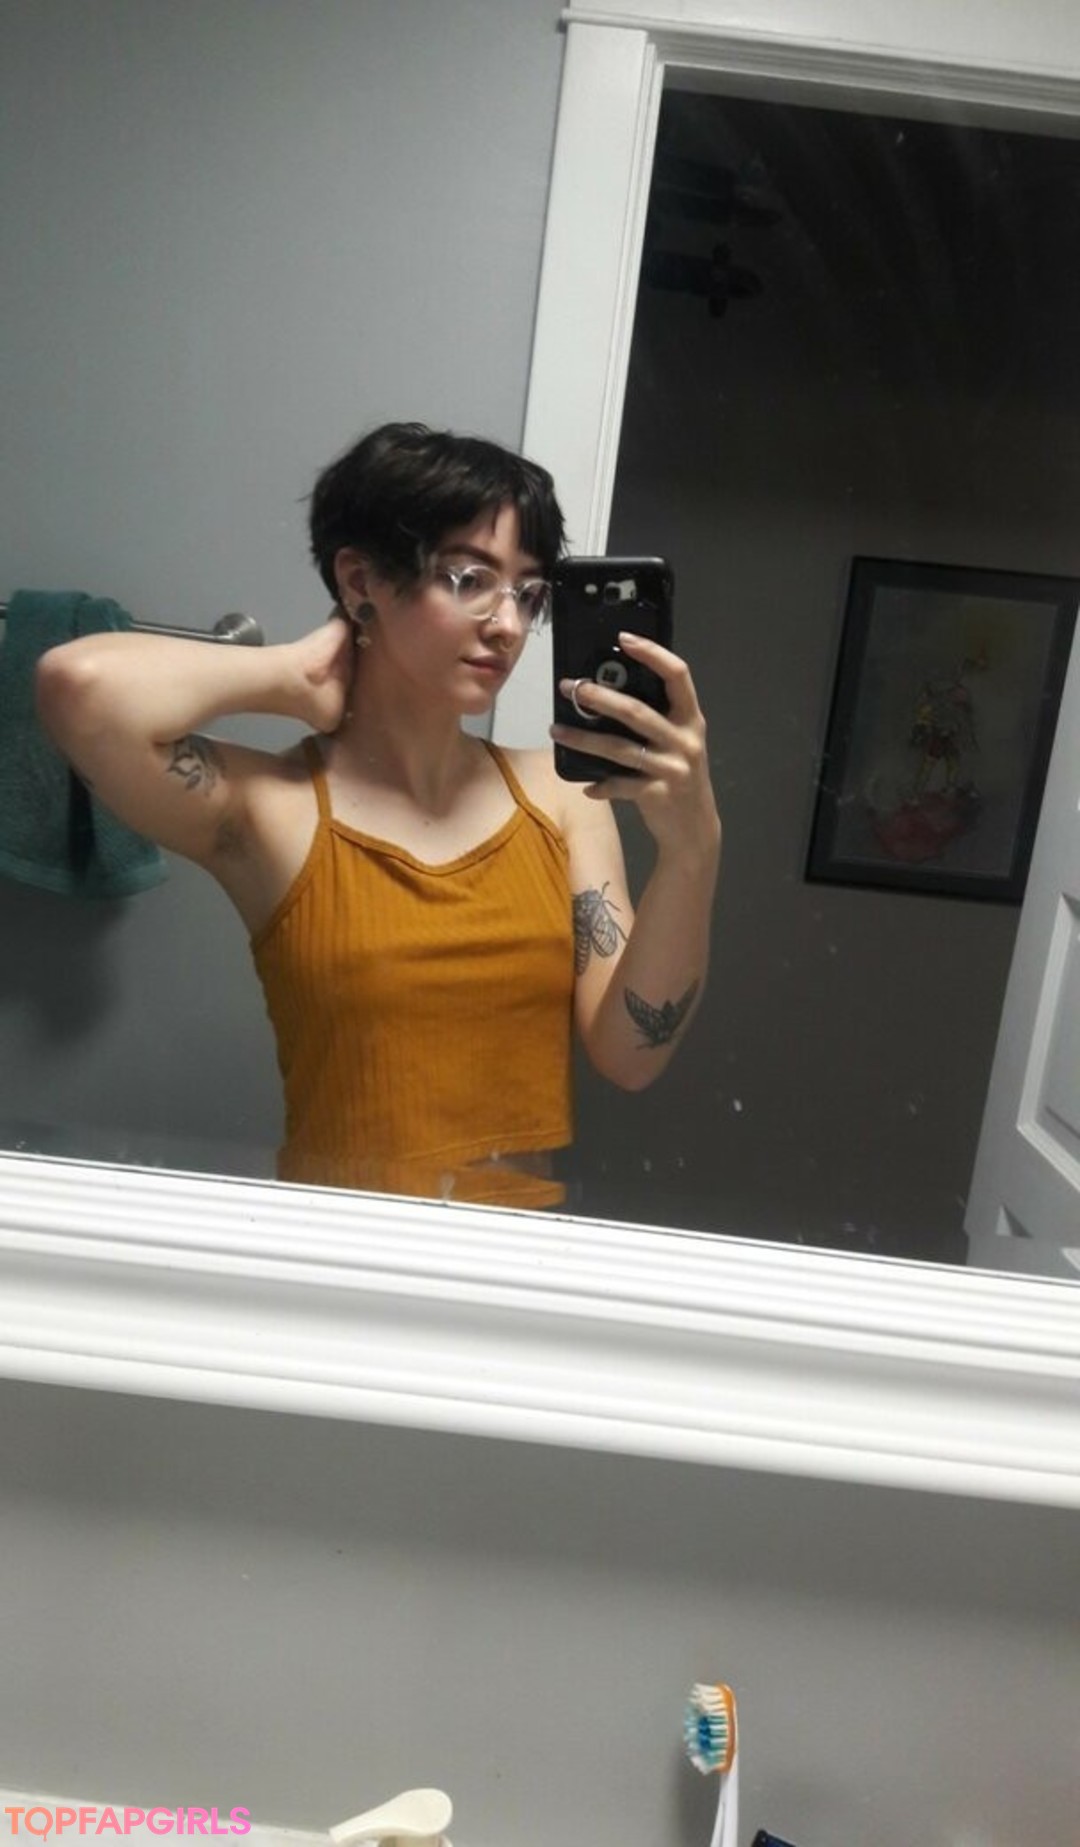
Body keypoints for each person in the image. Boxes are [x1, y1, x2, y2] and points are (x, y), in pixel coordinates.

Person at [36, 422, 721, 1209]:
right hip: (338, 1256)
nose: (507, 624)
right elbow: (77, 688)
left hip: (519, 1259)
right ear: (360, 579)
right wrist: (291, 676)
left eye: (527, 592)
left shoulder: (560, 799)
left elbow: (632, 1052)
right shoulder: (274, 811)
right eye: (469, 578)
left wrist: (693, 848)